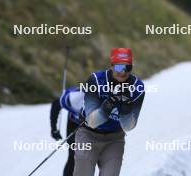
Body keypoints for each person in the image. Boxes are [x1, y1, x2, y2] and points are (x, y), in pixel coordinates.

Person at [60, 48, 145, 176]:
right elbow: (92, 121)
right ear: (111, 66)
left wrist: (125, 107)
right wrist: (110, 103)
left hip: (114, 138)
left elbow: (128, 126)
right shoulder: (96, 80)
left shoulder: (137, 87)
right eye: (118, 67)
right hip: (88, 134)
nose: (122, 72)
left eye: (127, 67)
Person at [50, 88, 84, 176]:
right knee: (73, 156)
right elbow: (56, 104)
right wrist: (54, 128)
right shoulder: (74, 98)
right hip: (74, 123)